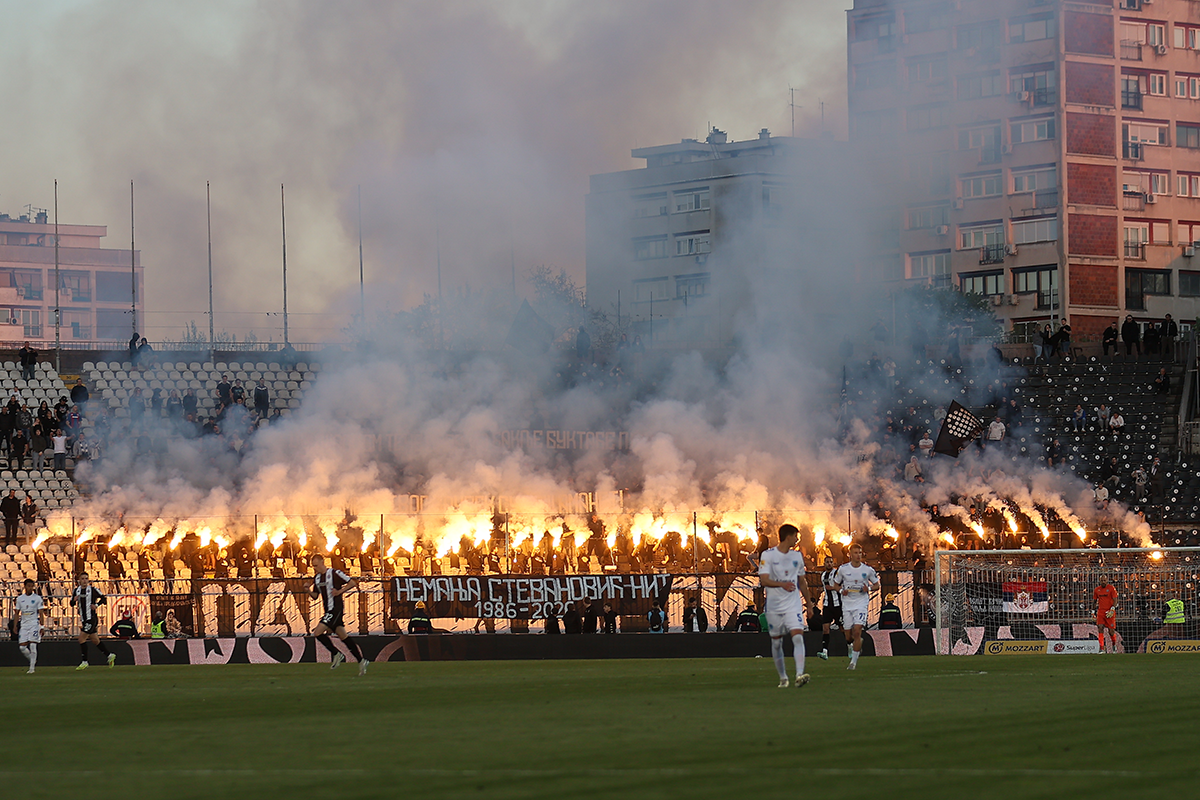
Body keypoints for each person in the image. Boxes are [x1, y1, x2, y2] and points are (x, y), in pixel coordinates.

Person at [758, 523, 815, 688]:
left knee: (798, 636)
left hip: (793, 605)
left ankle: (799, 674)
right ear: (788, 537)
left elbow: (802, 582)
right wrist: (782, 584)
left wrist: (809, 604)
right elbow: (764, 580)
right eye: (796, 536)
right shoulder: (768, 556)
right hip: (774, 607)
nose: (797, 539)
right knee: (776, 643)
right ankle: (783, 677)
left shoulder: (797, 556)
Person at [310, 553, 369, 675]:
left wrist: (340, 591)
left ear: (322, 562)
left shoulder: (334, 573)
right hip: (328, 610)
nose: (315, 568)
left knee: (317, 632)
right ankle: (361, 660)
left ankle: (337, 654)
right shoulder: (316, 578)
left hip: (335, 609)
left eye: (316, 565)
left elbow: (352, 583)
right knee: (343, 637)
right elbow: (315, 596)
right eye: (313, 566)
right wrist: (307, 590)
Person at [832, 543, 880, 671]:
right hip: (847, 604)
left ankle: (853, 662)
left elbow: (877, 585)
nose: (858, 555)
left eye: (860, 553)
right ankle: (853, 643)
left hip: (861, 603)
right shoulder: (843, 569)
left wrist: (868, 588)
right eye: (855, 553)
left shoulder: (868, 570)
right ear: (850, 554)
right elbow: (835, 585)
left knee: (857, 630)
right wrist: (842, 591)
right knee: (848, 635)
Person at [71, 574, 115, 669]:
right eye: (82, 579)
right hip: (84, 619)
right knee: (95, 640)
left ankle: (85, 661)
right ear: (79, 580)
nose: (84, 581)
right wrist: (74, 600)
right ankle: (109, 655)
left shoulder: (93, 590)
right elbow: (71, 603)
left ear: (88, 580)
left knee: (81, 639)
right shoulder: (76, 590)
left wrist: (96, 605)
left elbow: (104, 598)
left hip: (91, 619)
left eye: (86, 579)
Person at [816, 556, 843, 660]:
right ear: (824, 563)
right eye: (827, 562)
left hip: (837, 605)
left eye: (831, 562)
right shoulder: (823, 575)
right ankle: (825, 651)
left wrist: (832, 588)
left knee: (842, 628)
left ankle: (850, 646)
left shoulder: (837, 574)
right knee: (825, 628)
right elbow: (825, 588)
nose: (829, 564)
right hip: (827, 605)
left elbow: (843, 587)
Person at [15, 578, 44, 674]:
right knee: (22, 648)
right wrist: (15, 625)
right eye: (29, 586)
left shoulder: (37, 598)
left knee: (32, 645)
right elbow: (17, 613)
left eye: (32, 586)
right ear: (25, 586)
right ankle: (32, 659)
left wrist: (42, 626)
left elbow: (41, 613)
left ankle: (32, 668)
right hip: (24, 625)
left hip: (34, 624)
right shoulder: (20, 599)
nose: (31, 588)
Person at [1094, 580, 1118, 654]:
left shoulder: (1111, 588)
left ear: (1107, 581)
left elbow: (1115, 599)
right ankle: (1101, 648)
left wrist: (1113, 608)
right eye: (1102, 580)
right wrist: (1092, 610)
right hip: (1101, 612)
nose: (1103, 582)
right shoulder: (1097, 590)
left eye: (1104, 580)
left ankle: (1114, 645)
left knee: (1111, 631)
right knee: (1100, 628)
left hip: (1109, 612)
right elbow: (1094, 601)